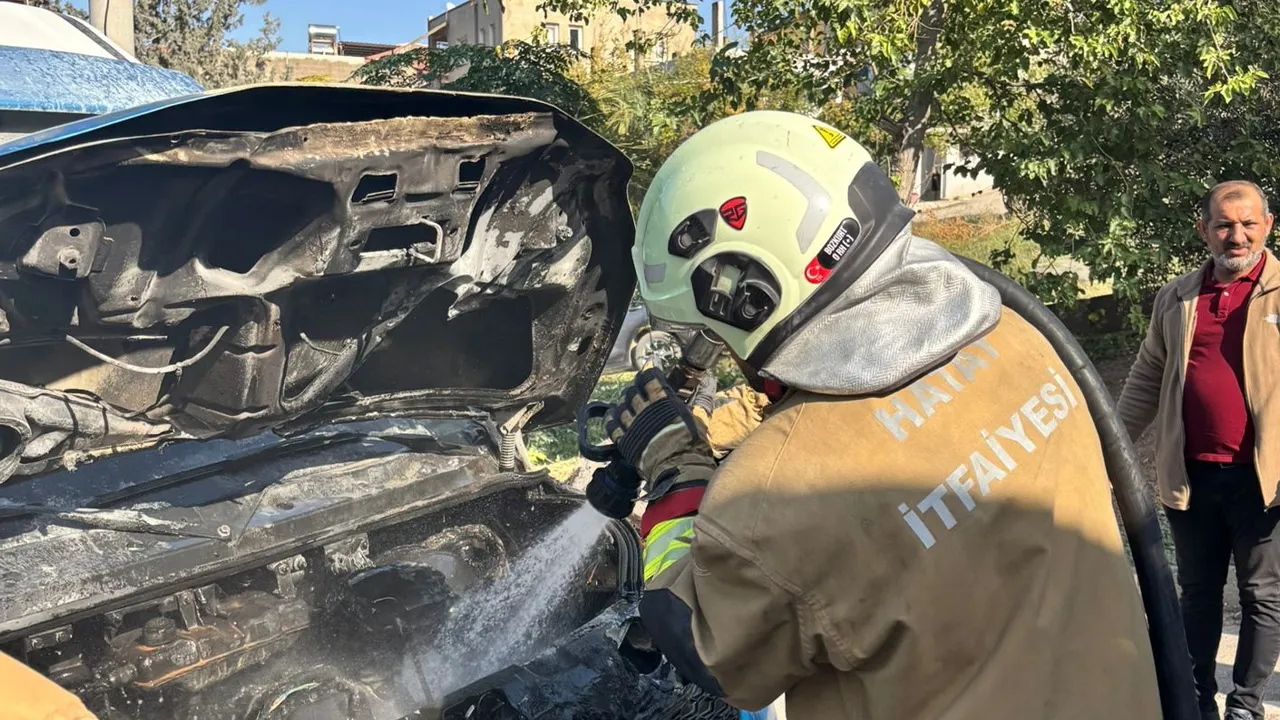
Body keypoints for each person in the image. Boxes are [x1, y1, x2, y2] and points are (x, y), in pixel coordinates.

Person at [602, 110, 1162, 719]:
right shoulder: (1017, 338)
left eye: (714, 328)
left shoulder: (780, 491)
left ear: (742, 294)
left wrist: (675, 475)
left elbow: (707, 648)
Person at [1118, 179, 1280, 720]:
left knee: (1261, 596)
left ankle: (1247, 704)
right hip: (1190, 475)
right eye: (1224, 224)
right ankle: (1196, 701)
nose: (1237, 236)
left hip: (1265, 478)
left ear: (1268, 226)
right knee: (1198, 594)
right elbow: (1146, 377)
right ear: (1204, 229)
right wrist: (1109, 446)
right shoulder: (1178, 296)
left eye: (1248, 224)